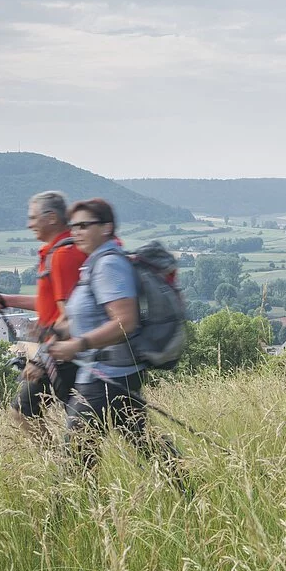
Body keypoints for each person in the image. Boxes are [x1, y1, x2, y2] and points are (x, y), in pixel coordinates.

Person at [47, 198, 187, 490]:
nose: (77, 231)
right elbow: (93, 314)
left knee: (75, 461)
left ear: (107, 227)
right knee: (146, 443)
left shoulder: (109, 264)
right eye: (73, 225)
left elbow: (125, 321)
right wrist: (58, 331)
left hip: (104, 378)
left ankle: (62, 523)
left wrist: (78, 345)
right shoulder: (96, 263)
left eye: (85, 225)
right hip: (114, 374)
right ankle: (192, 493)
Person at [0, 190, 86, 441]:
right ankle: (61, 469)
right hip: (62, 351)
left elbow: (71, 316)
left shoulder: (64, 255)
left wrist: (41, 360)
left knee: (25, 412)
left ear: (51, 217)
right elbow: (51, 305)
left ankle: (62, 469)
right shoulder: (55, 252)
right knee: (26, 412)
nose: (29, 223)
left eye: (33, 217)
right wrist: (7, 300)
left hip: (66, 353)